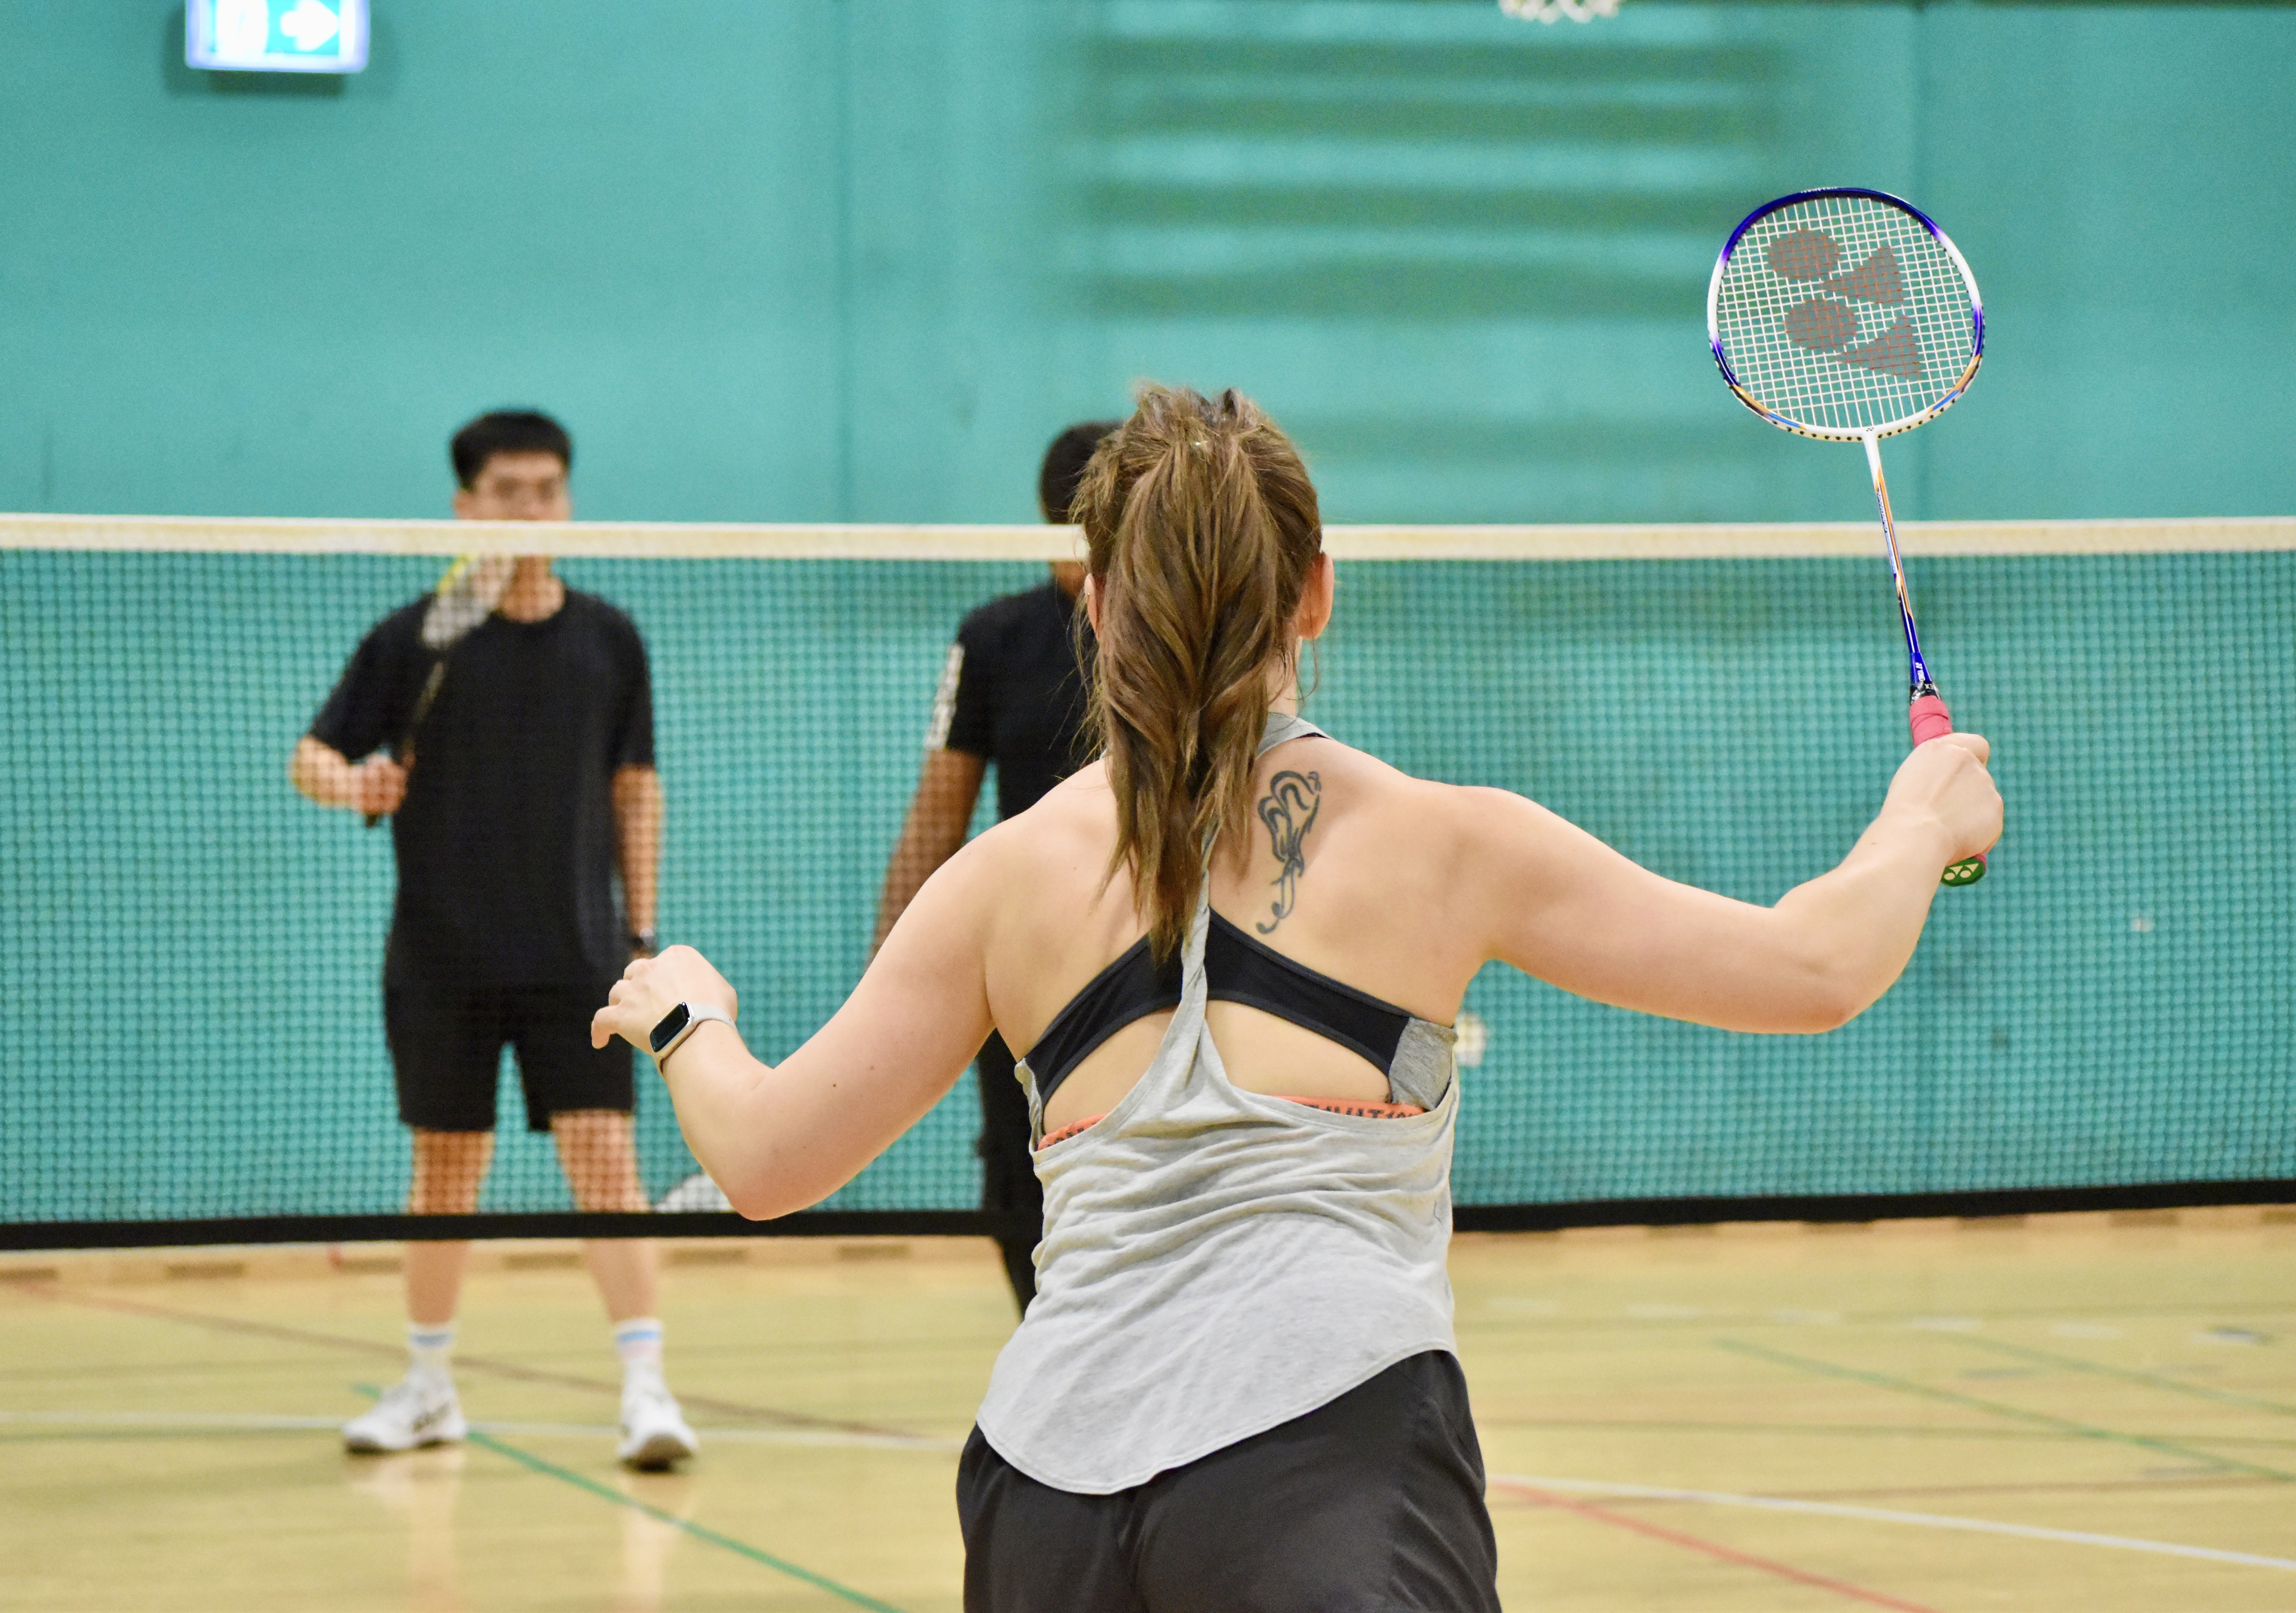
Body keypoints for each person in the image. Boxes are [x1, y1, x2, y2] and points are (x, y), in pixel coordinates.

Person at [593, 386, 2002, 1609]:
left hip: (1042, 1498)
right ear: (1316, 592)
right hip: (1326, 1457)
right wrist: (1922, 818)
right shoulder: (1448, 844)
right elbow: (1814, 969)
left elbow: (766, 1161)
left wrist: (687, 1014)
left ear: (1095, 605)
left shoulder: (1000, 882)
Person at [289, 409, 696, 1470]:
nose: (530, 508)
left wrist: (641, 934)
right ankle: (428, 1388)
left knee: (606, 1164)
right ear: (465, 506)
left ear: (568, 499)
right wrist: (354, 783)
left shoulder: (610, 639)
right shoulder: (416, 638)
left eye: (546, 489)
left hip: (579, 957)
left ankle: (646, 1389)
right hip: (443, 959)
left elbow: (636, 787)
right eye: (508, 491)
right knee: (444, 1174)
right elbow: (312, 755)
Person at [872, 419, 1120, 1313]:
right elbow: (938, 811)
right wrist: (888, 977)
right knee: (1019, 1179)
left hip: (1152, 952)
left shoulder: (1173, 633)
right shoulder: (993, 638)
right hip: (1026, 963)